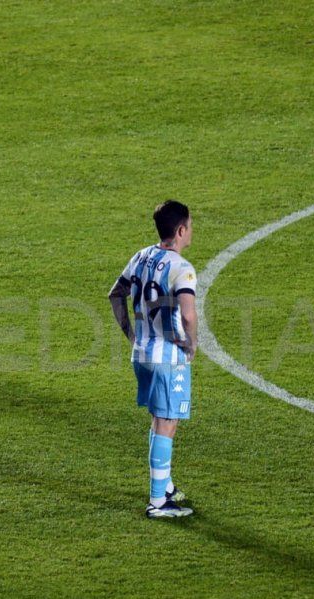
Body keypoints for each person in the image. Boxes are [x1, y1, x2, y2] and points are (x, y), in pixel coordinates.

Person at [108, 200, 198, 518]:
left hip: (142, 355)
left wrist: (130, 335)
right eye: (189, 226)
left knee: (159, 418)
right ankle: (158, 501)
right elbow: (187, 314)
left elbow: (115, 294)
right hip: (166, 358)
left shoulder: (142, 256)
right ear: (181, 230)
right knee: (167, 421)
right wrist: (192, 343)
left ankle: (166, 485)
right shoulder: (181, 267)